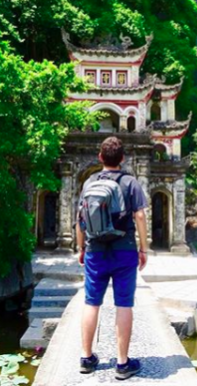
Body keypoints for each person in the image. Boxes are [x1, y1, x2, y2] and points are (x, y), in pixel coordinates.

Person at [75, 136, 149, 380]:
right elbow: (139, 216)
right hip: (124, 249)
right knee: (124, 303)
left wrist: (81, 248)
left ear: (100, 158)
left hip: (95, 249)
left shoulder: (89, 182)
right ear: (123, 159)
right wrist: (143, 249)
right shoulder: (130, 182)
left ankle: (86, 358)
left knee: (91, 302)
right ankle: (122, 363)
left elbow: (80, 219)